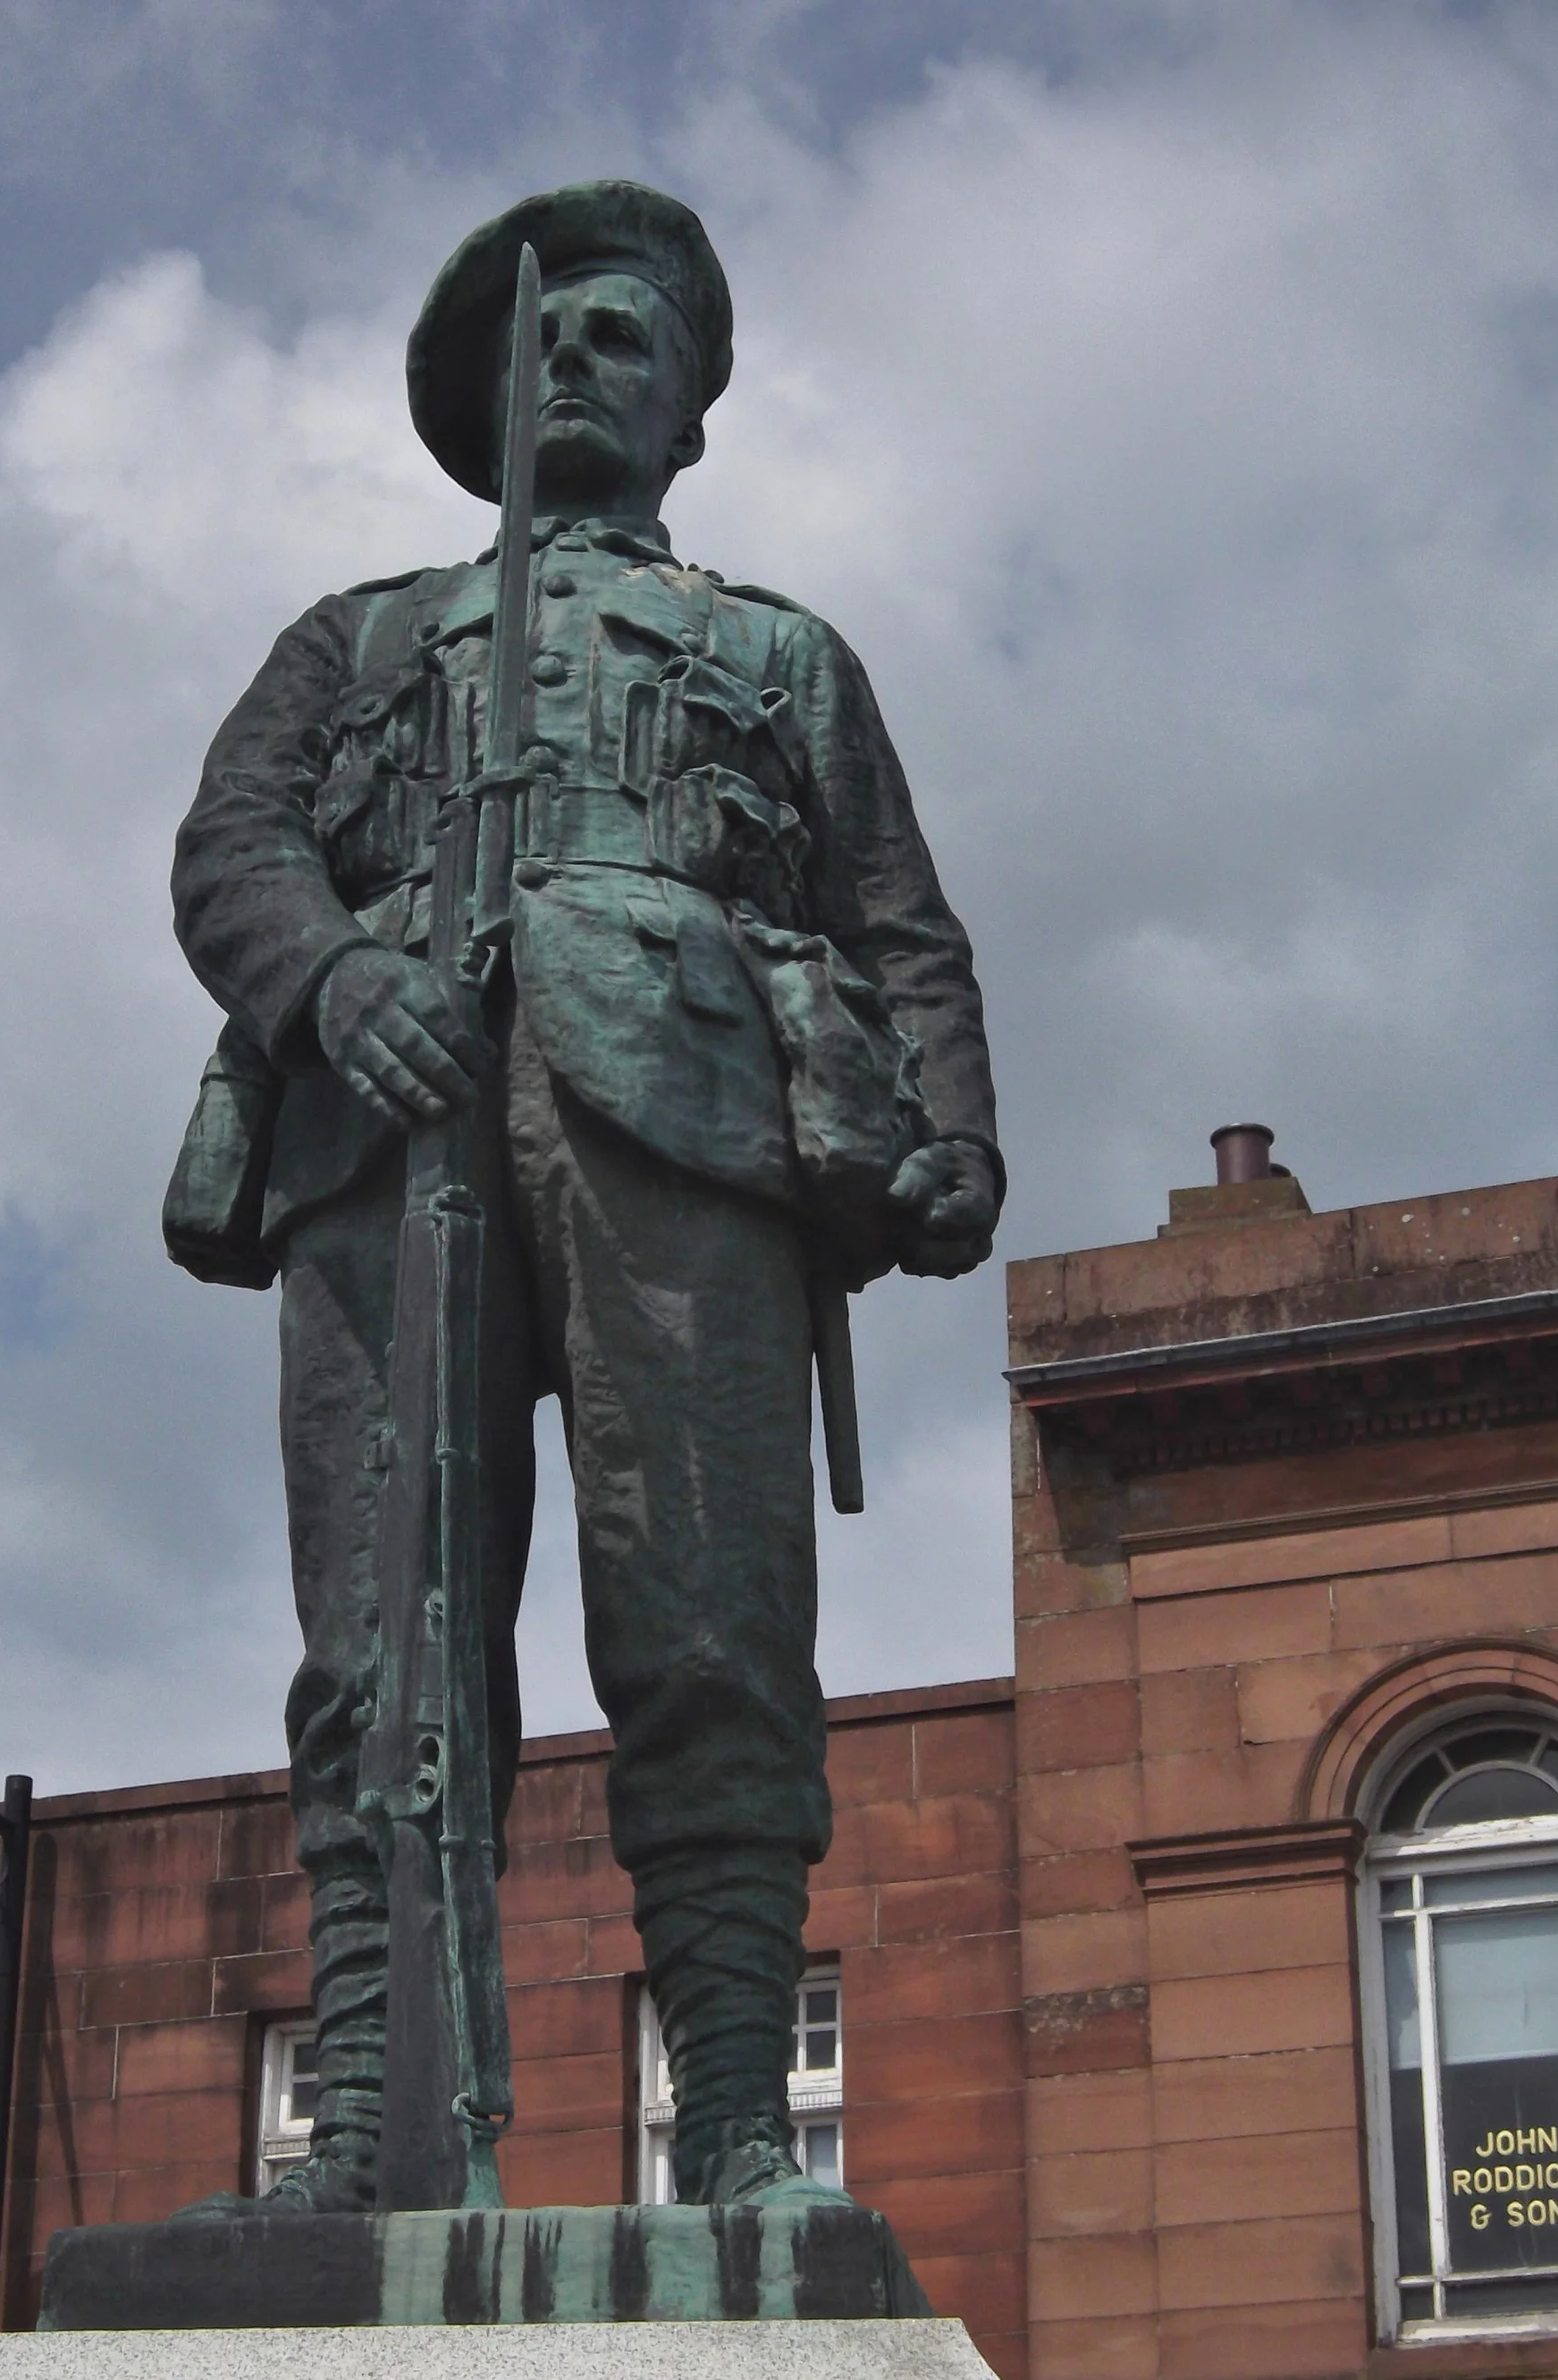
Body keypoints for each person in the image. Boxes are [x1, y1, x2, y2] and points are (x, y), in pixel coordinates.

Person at [168, 181, 1001, 2212]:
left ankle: (726, 2117)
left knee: (712, 1627)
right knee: (384, 1648)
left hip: (691, 1124)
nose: (577, 365)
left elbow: (907, 933)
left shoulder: (779, 654)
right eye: (550, 338)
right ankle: (369, 2118)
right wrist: (337, 975)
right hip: (384, 1138)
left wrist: (956, 1141)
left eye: (623, 343)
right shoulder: (354, 640)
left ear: (691, 412)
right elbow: (230, 848)